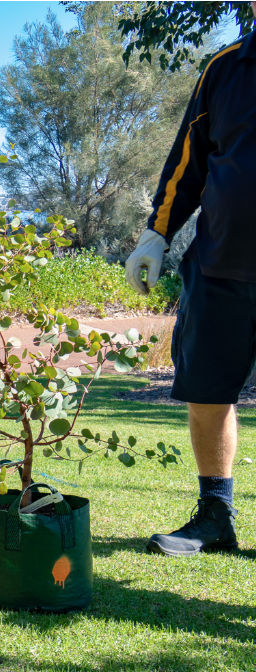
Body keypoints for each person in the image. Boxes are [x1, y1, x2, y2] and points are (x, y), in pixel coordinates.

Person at [124, 28, 256, 556]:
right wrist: (156, 232)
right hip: (220, 267)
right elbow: (188, 160)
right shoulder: (224, 68)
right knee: (207, 393)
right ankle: (215, 518)